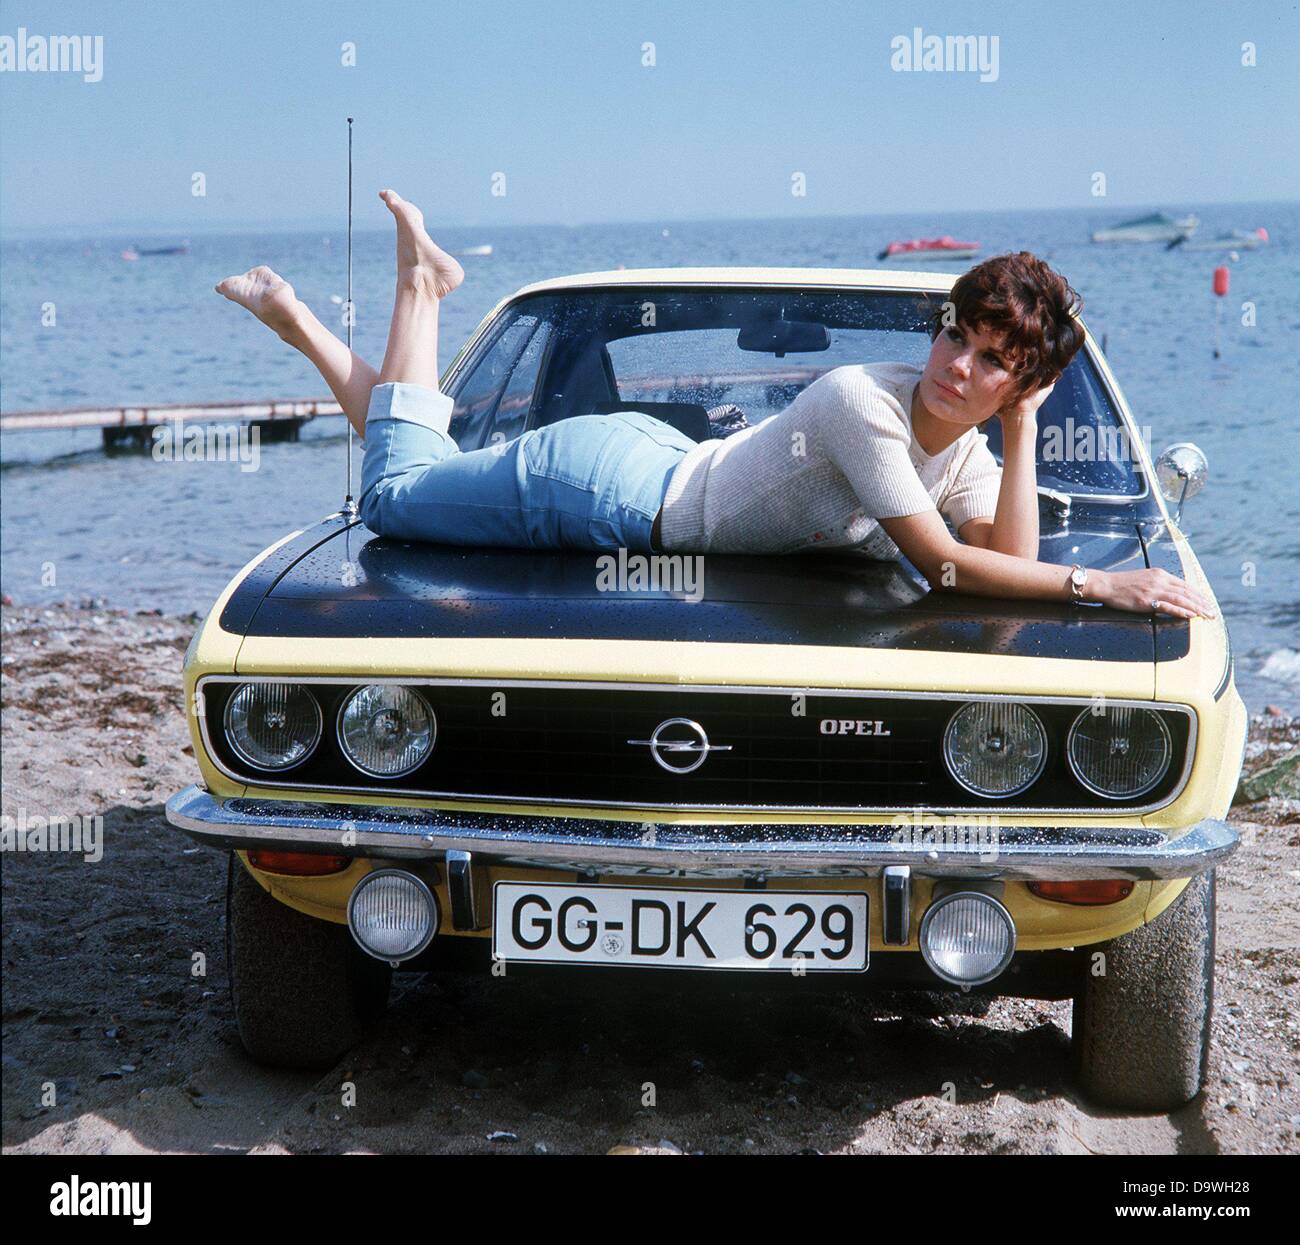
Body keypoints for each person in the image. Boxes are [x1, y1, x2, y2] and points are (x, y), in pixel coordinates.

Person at [216, 189, 1215, 622]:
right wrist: (1107, 590)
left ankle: (309, 326)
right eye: (957, 333)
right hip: (604, 491)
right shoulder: (860, 403)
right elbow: (951, 571)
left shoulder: (960, 448)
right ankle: (420, 290)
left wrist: (1024, 425)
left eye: (995, 362)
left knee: (418, 466)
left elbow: (1015, 558)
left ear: (1018, 380)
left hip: (661, 466)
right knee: (393, 496)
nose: (959, 366)